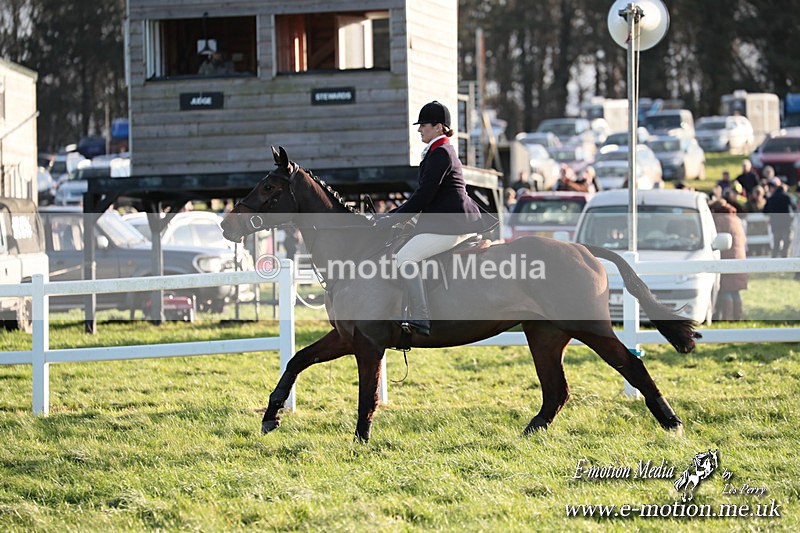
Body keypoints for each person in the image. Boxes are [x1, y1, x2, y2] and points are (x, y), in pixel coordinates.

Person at [375, 101, 498, 336]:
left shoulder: (441, 152)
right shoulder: (436, 151)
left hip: (453, 225)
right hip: (444, 221)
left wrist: (391, 219)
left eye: (424, 125)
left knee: (405, 257)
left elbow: (423, 196)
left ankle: (421, 316)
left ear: (439, 127)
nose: (420, 129)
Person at [710, 199, 747, 320]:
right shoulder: (735, 218)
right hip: (740, 257)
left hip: (727, 256)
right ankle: (738, 316)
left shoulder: (719, 219)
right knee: (735, 291)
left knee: (726, 289)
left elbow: (714, 239)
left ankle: (727, 317)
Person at [763, 177, 794, 257]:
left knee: (776, 245)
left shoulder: (771, 199)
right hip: (786, 225)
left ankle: (774, 262)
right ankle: (785, 260)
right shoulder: (787, 197)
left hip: (776, 225)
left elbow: (765, 212)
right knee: (786, 244)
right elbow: (793, 209)